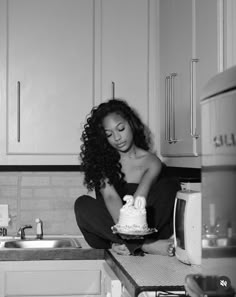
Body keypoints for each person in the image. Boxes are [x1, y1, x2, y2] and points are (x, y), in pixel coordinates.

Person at [74, 98, 180, 256]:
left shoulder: (152, 162)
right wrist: (127, 234)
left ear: (131, 124)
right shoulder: (103, 163)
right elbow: (110, 197)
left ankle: (133, 244)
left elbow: (139, 199)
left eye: (121, 129)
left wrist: (131, 232)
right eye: (109, 134)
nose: (117, 138)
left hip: (144, 224)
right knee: (82, 204)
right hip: (115, 228)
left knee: (169, 186)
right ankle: (143, 246)